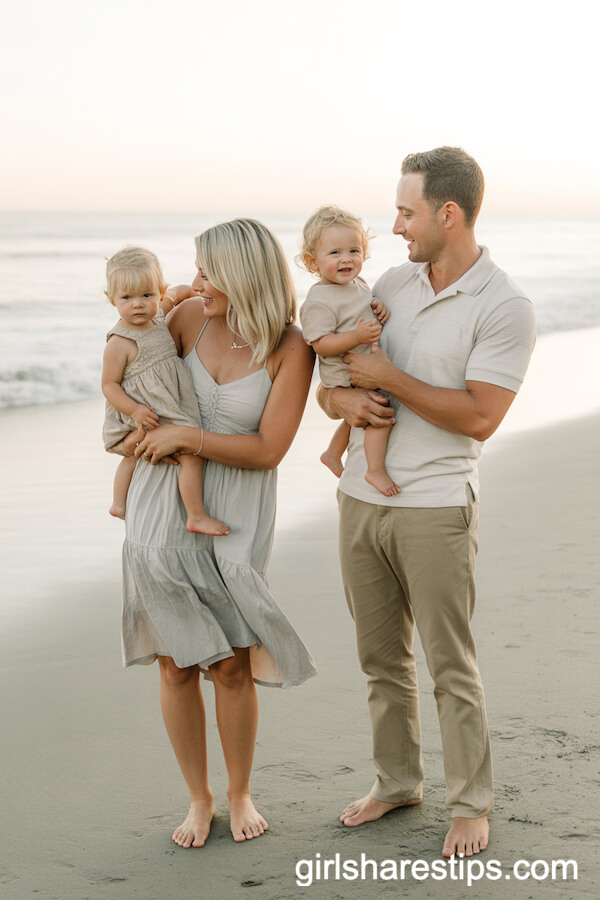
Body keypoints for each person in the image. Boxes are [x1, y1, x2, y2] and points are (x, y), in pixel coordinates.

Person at [318, 147, 536, 858]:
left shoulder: (505, 305)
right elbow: (336, 379)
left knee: (449, 664)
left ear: (448, 213)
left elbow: (480, 416)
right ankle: (397, 782)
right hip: (359, 499)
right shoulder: (388, 280)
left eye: (407, 212)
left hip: (437, 508)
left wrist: (388, 376)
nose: (396, 224)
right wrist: (346, 394)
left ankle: (470, 802)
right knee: (380, 658)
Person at [124, 219, 317, 848]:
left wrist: (188, 436)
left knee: (232, 665)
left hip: (236, 515)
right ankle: (199, 800)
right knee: (178, 665)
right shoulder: (186, 321)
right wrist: (135, 432)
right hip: (164, 508)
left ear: (241, 274)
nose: (196, 281)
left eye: (208, 272)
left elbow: (269, 449)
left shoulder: (290, 347)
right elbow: (127, 365)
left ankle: (238, 792)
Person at [102, 245, 229, 535]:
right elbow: (108, 385)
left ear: (158, 293)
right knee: (185, 456)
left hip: (164, 406)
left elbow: (176, 294)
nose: (137, 304)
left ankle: (124, 505)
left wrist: (189, 293)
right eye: (127, 297)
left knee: (140, 453)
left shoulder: (158, 316)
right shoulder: (119, 342)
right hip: (144, 410)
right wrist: (134, 411)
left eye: (146, 295)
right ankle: (191, 514)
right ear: (111, 299)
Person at [298, 205, 398, 496]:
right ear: (311, 261)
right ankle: (375, 471)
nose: (346, 259)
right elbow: (321, 344)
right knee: (379, 416)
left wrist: (377, 306)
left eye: (354, 251)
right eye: (335, 253)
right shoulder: (318, 301)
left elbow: (364, 305)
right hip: (345, 372)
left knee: (359, 416)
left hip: (365, 365)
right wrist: (355, 335)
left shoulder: (359, 284)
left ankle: (332, 452)